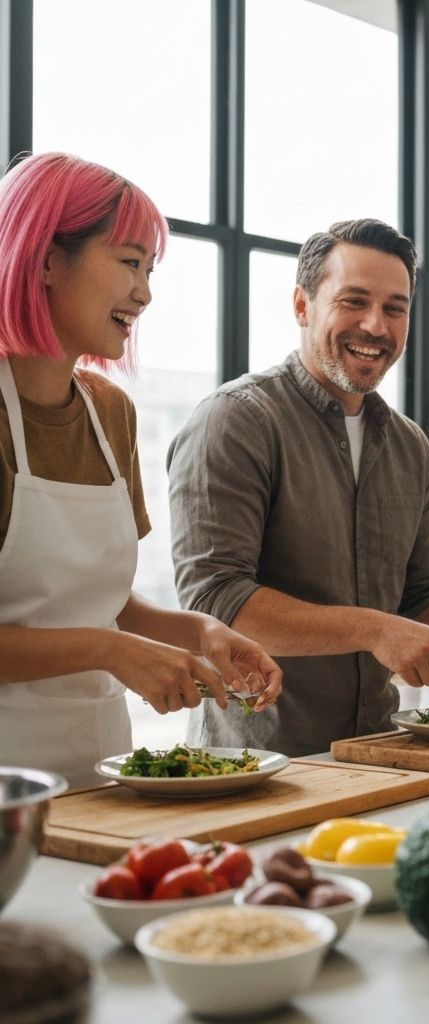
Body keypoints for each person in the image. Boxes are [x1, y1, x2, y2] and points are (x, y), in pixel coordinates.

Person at [167, 219, 429, 757]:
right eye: (354, 301)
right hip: (259, 761)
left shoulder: (409, 445)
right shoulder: (235, 420)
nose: (376, 325)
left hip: (378, 750)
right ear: (302, 305)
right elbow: (216, 601)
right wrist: (375, 630)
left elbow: (421, 593)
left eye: (395, 308)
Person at [0, 152, 282, 789]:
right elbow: (98, 630)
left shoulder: (110, 412)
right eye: (129, 262)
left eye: (149, 270)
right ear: (46, 259)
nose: (145, 293)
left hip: (97, 767)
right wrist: (109, 650)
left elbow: (97, 599)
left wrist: (200, 632)